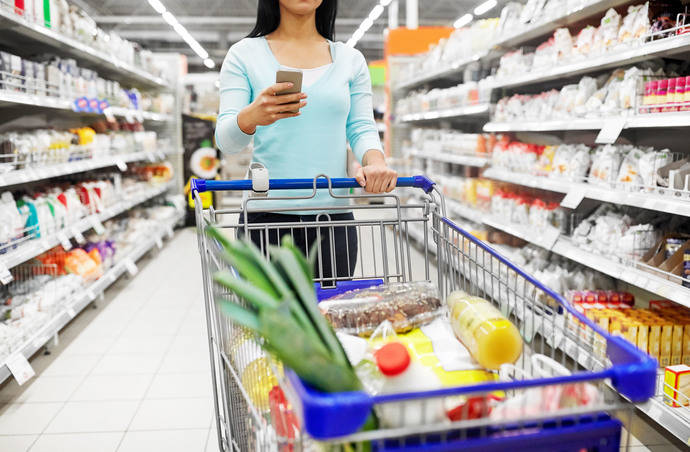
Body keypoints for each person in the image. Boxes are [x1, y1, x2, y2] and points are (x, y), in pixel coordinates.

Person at [216, 0, 396, 283]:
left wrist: (375, 163)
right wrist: (252, 116)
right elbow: (227, 143)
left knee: (328, 324)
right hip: (266, 221)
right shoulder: (244, 55)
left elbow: (361, 127)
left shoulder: (350, 60)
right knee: (269, 327)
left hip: (333, 220)